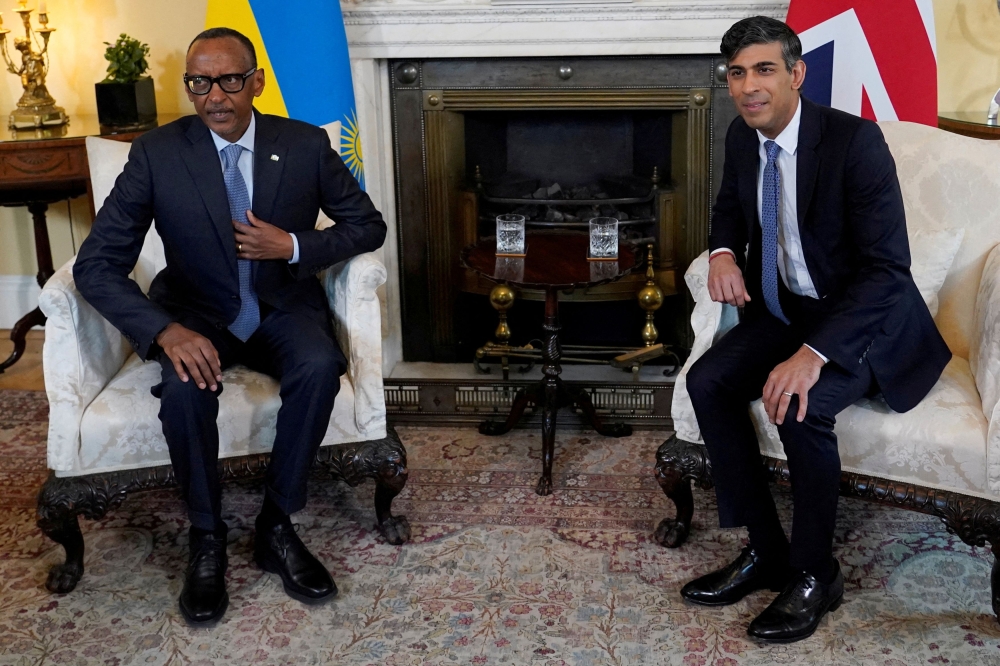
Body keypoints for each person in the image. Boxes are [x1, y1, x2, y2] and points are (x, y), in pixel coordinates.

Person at [73, 27, 387, 626]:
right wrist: (163, 331)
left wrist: (294, 245)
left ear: (256, 82)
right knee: (186, 392)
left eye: (228, 79)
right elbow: (96, 264)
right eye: (198, 81)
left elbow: (366, 225)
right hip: (194, 311)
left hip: (281, 304)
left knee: (320, 366)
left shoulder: (304, 145)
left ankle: (276, 523)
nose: (213, 95)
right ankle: (206, 535)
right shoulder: (157, 154)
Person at [681, 16, 950, 643]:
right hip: (785, 310)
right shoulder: (743, 138)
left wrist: (815, 353)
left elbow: (888, 271)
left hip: (863, 322)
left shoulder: (855, 144)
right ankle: (765, 549)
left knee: (799, 405)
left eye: (765, 70)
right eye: (738, 74)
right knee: (709, 381)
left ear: (797, 74)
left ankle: (813, 573)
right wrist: (722, 252)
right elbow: (728, 211)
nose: (750, 86)